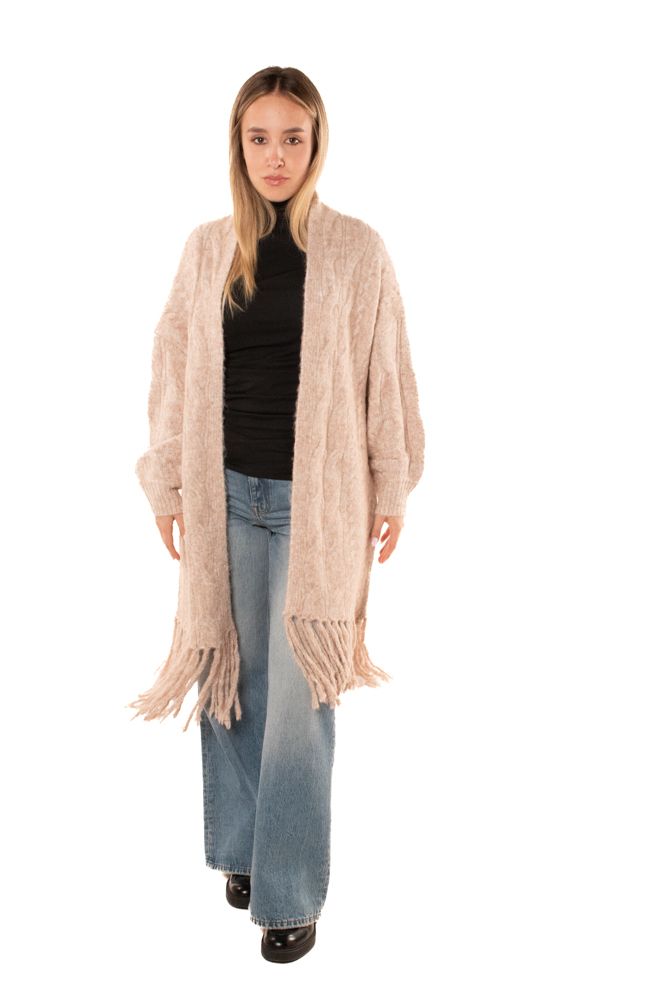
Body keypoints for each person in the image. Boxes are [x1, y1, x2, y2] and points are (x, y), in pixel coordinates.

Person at [129, 66, 425, 965]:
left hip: (317, 506)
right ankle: (243, 846)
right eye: (259, 137)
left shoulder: (358, 251)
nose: (276, 155)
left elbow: (387, 373)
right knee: (234, 672)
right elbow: (174, 367)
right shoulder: (206, 248)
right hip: (225, 494)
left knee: (301, 700)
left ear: (316, 143)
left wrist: (391, 481)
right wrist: (168, 482)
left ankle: (288, 891)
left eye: (293, 137)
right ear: (238, 144)